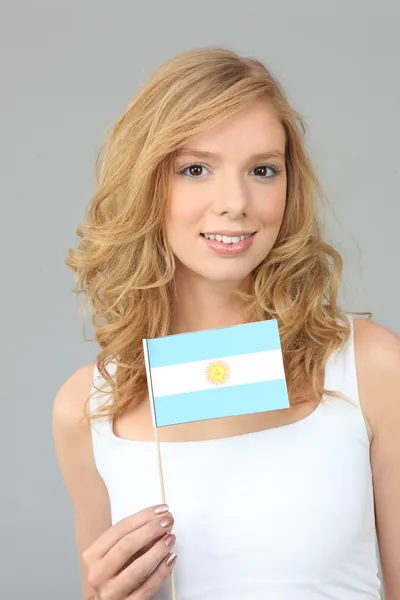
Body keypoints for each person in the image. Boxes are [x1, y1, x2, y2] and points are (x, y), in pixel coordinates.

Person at [52, 46, 400, 600]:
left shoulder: (371, 368)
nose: (236, 201)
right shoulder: (88, 407)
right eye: (196, 169)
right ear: (146, 186)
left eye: (263, 170)